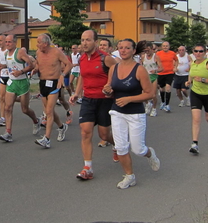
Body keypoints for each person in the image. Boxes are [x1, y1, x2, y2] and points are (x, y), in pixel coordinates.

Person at [103, 38, 160, 189]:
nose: (123, 50)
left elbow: (149, 94)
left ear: (133, 51)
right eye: (120, 48)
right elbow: (110, 89)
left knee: (138, 149)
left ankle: (150, 153)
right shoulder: (113, 69)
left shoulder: (139, 69)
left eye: (127, 48)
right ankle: (130, 176)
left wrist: (129, 99)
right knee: (121, 147)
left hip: (135, 114)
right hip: (117, 112)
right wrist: (107, 91)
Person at [69, 30, 117, 181]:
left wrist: (110, 86)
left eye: (88, 40)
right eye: (82, 40)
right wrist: (77, 93)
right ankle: (87, 167)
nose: (84, 43)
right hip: (88, 100)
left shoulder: (106, 58)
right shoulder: (82, 58)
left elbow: (118, 72)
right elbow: (82, 76)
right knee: (85, 132)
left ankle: (118, 145)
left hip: (104, 100)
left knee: (104, 135)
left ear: (95, 42)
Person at [32, 34, 71, 148]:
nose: (37, 45)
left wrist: (63, 75)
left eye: (39, 42)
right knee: (49, 111)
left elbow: (69, 64)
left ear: (45, 43)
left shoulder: (56, 52)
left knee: (49, 111)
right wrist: (35, 69)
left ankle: (47, 139)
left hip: (54, 83)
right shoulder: (38, 52)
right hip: (43, 83)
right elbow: (39, 64)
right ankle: (61, 127)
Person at [0, 34, 39, 143]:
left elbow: (31, 65)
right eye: (6, 42)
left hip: (22, 83)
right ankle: (8, 133)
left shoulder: (20, 52)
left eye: (9, 42)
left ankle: (36, 121)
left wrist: (20, 72)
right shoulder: (6, 53)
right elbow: (11, 65)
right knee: (7, 107)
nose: (7, 44)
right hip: (12, 82)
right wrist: (2, 69)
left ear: (15, 42)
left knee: (25, 109)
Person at [185, 44, 208, 154]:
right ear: (193, 52)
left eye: (201, 51)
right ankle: (195, 144)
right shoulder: (192, 63)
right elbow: (192, 74)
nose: (198, 53)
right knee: (196, 119)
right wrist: (189, 81)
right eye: (196, 51)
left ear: (204, 53)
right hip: (196, 93)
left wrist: (203, 80)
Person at [156, 41, 178, 112]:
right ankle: (162, 102)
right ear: (162, 47)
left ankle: (167, 105)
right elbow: (155, 62)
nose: (165, 47)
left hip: (170, 72)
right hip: (161, 73)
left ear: (169, 46)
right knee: (162, 89)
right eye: (164, 46)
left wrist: (175, 67)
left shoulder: (172, 53)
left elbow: (176, 60)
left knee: (168, 88)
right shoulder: (158, 54)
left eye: (167, 46)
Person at [142, 42, 162, 117]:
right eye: (145, 51)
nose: (147, 52)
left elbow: (162, 68)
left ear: (151, 49)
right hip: (146, 77)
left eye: (148, 50)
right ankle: (148, 104)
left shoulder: (156, 57)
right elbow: (140, 66)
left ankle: (154, 109)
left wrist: (156, 71)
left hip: (153, 76)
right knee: (143, 94)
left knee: (153, 95)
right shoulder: (143, 57)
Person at [0, 35, 9, 126]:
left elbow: (12, 63)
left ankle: (25, 99)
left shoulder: (9, 51)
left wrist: (4, 66)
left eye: (1, 40)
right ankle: (3, 118)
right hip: (3, 76)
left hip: (11, 76)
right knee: (2, 97)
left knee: (12, 98)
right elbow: (1, 64)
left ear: (5, 41)